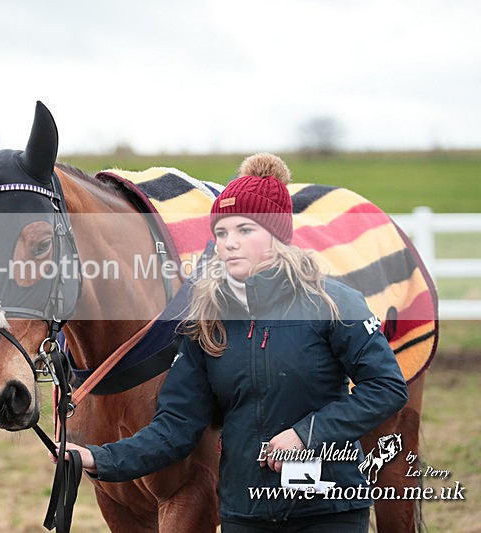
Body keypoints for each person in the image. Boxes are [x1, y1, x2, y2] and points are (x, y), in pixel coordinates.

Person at [59, 153, 409, 532]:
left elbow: (386, 388)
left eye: (245, 230)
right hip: (246, 516)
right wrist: (96, 459)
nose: (229, 243)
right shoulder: (208, 322)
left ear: (276, 234)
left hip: (327, 512)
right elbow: (175, 428)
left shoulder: (333, 303)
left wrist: (306, 435)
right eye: (222, 232)